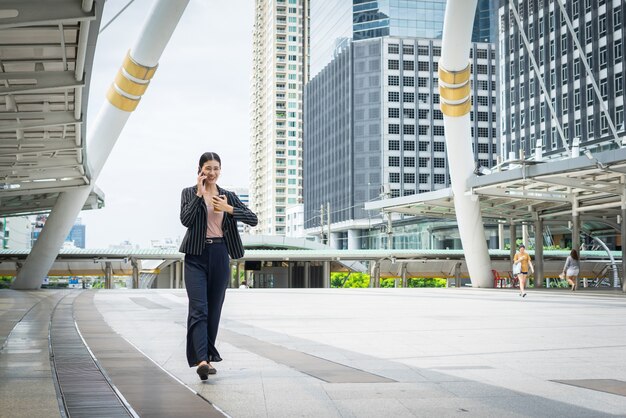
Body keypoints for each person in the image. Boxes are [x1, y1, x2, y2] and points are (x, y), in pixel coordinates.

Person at [179, 152, 258, 381]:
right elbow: (186, 220)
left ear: (220, 170)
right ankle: (202, 360)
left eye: (216, 168)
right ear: (200, 170)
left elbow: (253, 219)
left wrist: (229, 209)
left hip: (220, 254)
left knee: (213, 310)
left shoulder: (228, 196)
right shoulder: (188, 193)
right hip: (195, 255)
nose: (212, 173)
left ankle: (207, 358)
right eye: (208, 168)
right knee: (198, 309)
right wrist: (199, 195)